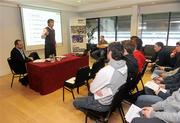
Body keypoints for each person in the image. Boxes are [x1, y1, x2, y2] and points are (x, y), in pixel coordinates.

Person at [73, 42, 127, 112]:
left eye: (106, 51)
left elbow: (92, 89)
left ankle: (93, 113)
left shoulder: (106, 71)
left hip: (103, 104)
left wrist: (96, 84)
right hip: (114, 99)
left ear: (110, 53)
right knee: (91, 93)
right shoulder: (125, 66)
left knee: (75, 102)